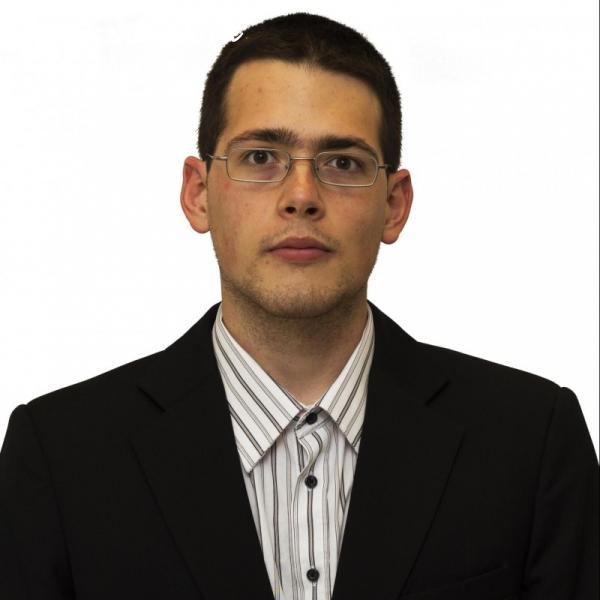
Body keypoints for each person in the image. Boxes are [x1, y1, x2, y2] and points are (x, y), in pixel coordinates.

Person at [0, 11, 597, 600]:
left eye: (343, 163)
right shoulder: (59, 456)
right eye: (261, 157)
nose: (302, 196)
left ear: (394, 206)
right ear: (199, 194)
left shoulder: (533, 442)